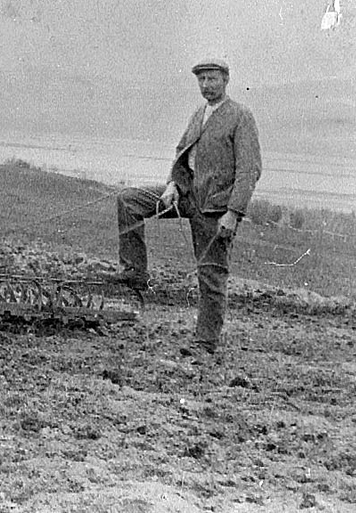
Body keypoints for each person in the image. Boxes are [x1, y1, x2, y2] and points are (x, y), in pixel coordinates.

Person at [109, 58, 262, 356]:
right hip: (187, 197)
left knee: (211, 277)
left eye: (212, 79)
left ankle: (205, 344)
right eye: (202, 80)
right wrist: (172, 186)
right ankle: (134, 273)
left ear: (226, 80)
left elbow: (249, 170)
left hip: (215, 210)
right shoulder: (198, 114)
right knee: (128, 200)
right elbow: (183, 153)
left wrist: (233, 214)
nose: (206, 85)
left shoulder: (240, 116)